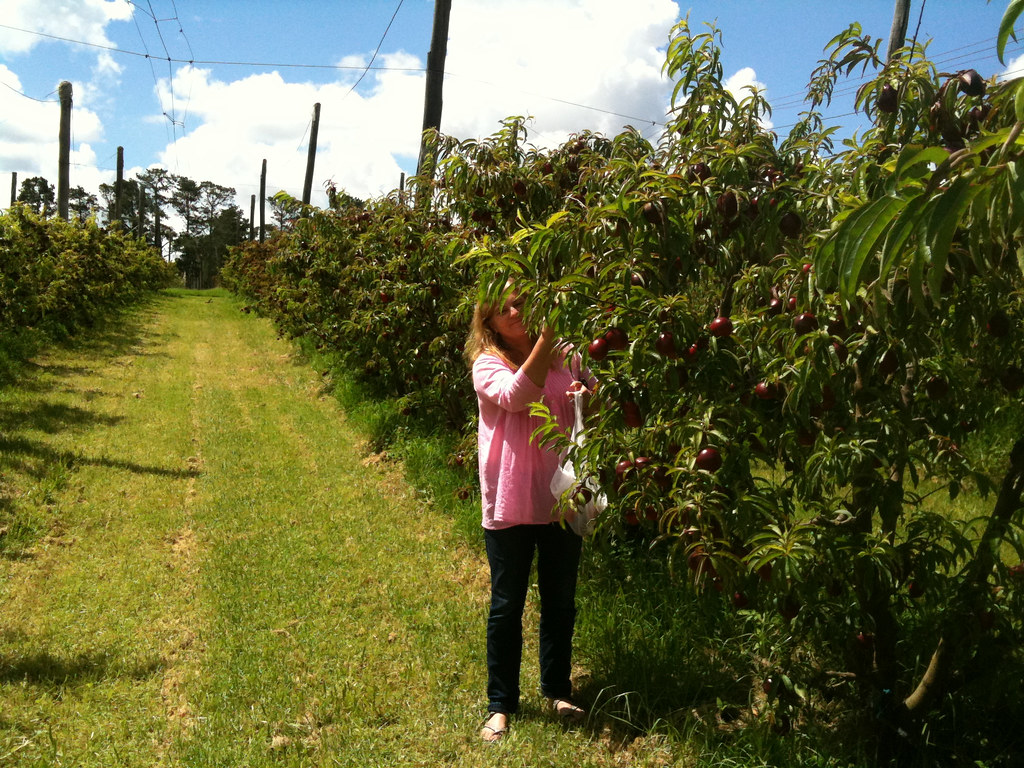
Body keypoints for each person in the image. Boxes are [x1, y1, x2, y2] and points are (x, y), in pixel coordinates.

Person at [466, 288, 589, 744]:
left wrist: (586, 396)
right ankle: (500, 705)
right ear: (489, 322)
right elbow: (517, 396)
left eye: (521, 302)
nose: (515, 313)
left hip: (561, 497)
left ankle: (558, 691)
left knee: (560, 601)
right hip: (510, 499)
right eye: (504, 309)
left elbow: (597, 396)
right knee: (506, 605)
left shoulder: (567, 354)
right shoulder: (487, 363)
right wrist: (549, 335)